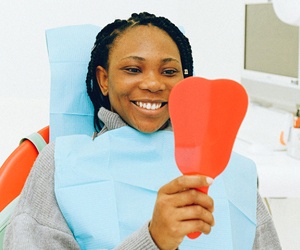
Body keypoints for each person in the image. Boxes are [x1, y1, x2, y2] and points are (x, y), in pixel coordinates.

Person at [4, 12, 281, 249]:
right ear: (103, 80)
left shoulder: (236, 171)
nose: (153, 84)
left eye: (169, 71)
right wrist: (153, 239)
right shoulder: (59, 164)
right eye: (133, 69)